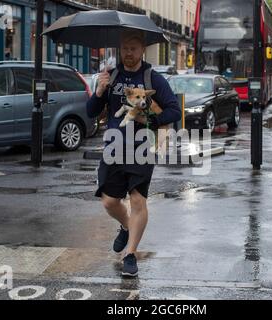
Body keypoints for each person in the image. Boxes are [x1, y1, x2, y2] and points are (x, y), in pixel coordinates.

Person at [86, 30, 181, 277]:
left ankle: (130, 254)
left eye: (134, 49)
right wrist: (99, 92)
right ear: (121, 49)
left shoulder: (153, 79)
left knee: (138, 200)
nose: (129, 53)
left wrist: (149, 118)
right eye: (125, 48)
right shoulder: (111, 76)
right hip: (114, 145)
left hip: (142, 145)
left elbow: (174, 111)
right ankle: (127, 226)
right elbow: (91, 112)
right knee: (109, 200)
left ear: (142, 50)